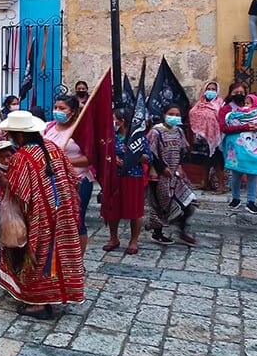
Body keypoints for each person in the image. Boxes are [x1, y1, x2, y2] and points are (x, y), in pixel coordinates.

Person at [0, 111, 84, 318]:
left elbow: (20, 193)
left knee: (37, 257)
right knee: (58, 256)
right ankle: (52, 298)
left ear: (18, 135)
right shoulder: (54, 148)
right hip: (63, 213)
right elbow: (73, 178)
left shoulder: (21, 157)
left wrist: (2, 181)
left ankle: (37, 303)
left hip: (39, 217)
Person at [43, 95, 93, 255]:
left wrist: (62, 160)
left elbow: (88, 159)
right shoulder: (48, 128)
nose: (57, 111)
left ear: (72, 111)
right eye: (56, 107)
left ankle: (78, 261)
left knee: (77, 221)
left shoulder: (80, 131)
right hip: (53, 181)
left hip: (78, 181)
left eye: (62, 108)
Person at [147, 104, 197, 245]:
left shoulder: (178, 131)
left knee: (187, 202)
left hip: (176, 173)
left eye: (177, 115)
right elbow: (151, 152)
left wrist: (179, 166)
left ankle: (182, 231)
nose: (174, 117)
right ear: (164, 114)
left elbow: (182, 150)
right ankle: (157, 232)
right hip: (159, 174)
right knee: (160, 204)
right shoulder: (156, 132)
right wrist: (162, 168)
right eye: (171, 114)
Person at [104, 108, 150, 255]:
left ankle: (134, 240)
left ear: (122, 121)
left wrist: (131, 155)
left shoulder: (138, 137)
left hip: (133, 176)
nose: (112, 122)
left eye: (114, 119)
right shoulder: (112, 137)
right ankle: (113, 238)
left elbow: (148, 157)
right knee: (113, 208)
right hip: (115, 176)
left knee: (134, 210)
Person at [220, 83, 257, 214]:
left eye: (241, 92)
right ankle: (236, 199)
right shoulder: (226, 109)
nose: (239, 95)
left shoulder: (255, 108)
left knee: (253, 173)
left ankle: (251, 202)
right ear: (230, 93)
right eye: (236, 92)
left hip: (253, 146)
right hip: (236, 147)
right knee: (236, 173)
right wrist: (245, 127)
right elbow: (224, 127)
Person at [189, 81, 226, 193]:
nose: (210, 91)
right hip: (201, 137)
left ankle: (221, 185)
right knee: (204, 160)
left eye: (213, 89)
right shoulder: (199, 103)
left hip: (215, 138)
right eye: (208, 89)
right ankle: (204, 182)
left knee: (217, 161)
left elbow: (221, 118)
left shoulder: (220, 103)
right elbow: (192, 114)